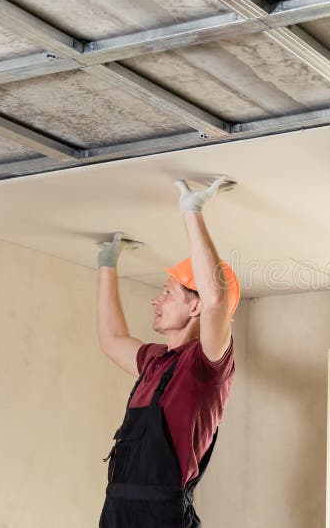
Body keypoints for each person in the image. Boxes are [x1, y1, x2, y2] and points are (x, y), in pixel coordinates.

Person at [96, 176, 240, 527]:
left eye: (168, 292)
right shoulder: (155, 361)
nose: (155, 300)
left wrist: (192, 212)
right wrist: (107, 265)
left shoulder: (206, 365)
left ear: (196, 308)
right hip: (116, 510)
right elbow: (112, 340)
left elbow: (216, 300)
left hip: (161, 515)